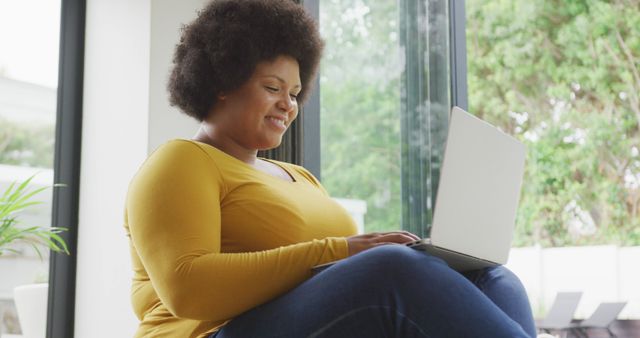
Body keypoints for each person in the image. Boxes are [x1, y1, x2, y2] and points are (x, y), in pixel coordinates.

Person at [124, 0, 537, 337]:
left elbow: (337, 283)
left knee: (491, 277)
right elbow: (188, 288)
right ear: (222, 82)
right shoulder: (182, 161)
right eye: (272, 88)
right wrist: (344, 251)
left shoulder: (300, 178)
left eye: (295, 93)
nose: (289, 105)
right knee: (391, 270)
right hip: (207, 332)